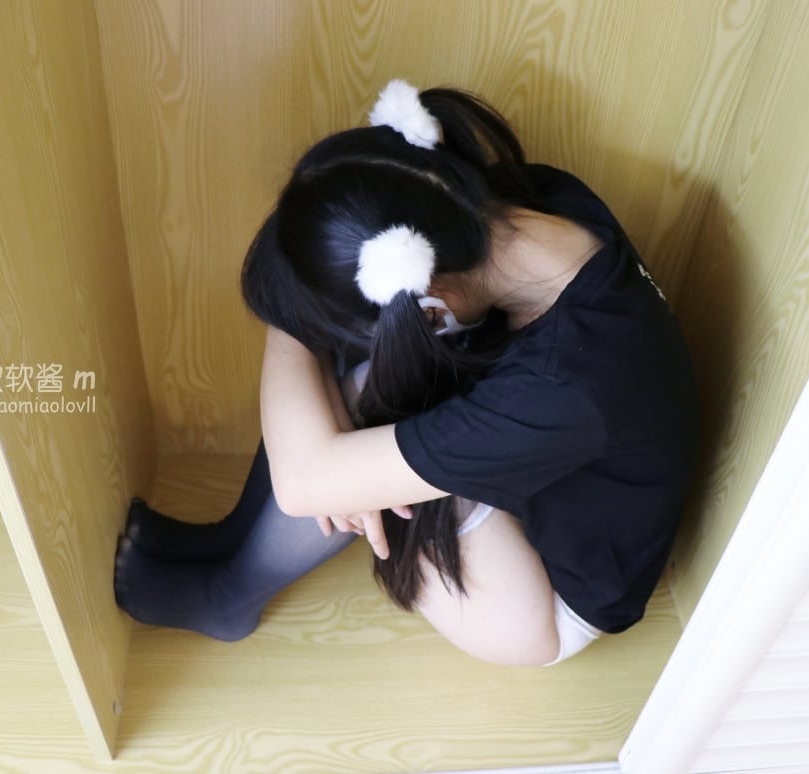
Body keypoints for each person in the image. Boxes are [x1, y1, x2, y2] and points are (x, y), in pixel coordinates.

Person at [114, 80, 699, 667]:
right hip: (544, 470)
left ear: (435, 298)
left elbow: (302, 482)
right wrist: (307, 316)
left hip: (540, 603)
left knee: (362, 394)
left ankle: (230, 596)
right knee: (357, 386)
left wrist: (299, 331)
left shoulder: (565, 384)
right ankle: (232, 540)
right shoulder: (518, 205)